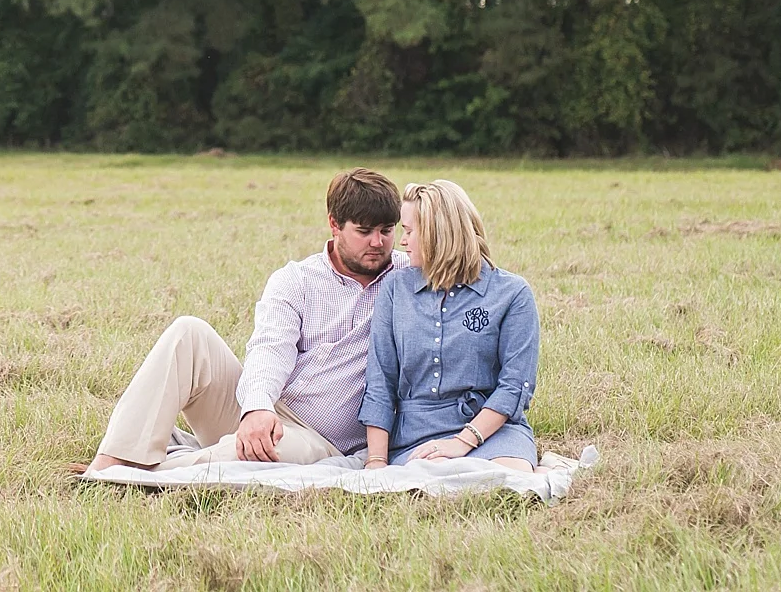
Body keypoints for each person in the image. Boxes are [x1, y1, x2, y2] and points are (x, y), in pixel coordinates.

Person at [83, 169, 407, 472]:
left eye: (387, 231)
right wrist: (256, 408)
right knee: (188, 332)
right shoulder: (297, 280)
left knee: (260, 454)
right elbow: (269, 349)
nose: (378, 243)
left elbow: (453, 257)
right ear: (334, 224)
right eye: (364, 232)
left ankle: (141, 471)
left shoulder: (409, 277)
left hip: (322, 440)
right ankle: (111, 459)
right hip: (266, 408)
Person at [360, 179, 540, 472]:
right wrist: (376, 460)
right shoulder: (395, 288)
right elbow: (380, 382)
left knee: (508, 478)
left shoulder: (512, 293)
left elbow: (515, 387)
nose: (402, 242)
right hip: (415, 434)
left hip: (492, 431)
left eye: (409, 231)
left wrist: (463, 442)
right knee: (431, 480)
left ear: (436, 234)